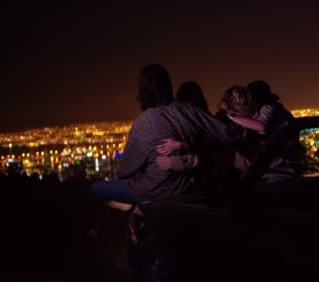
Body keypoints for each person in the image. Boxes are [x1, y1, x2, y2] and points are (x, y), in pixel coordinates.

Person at [90, 64, 246, 213]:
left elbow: (125, 170)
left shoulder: (143, 122)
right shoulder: (188, 110)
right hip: (184, 186)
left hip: (154, 190)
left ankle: (135, 211)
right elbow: (229, 135)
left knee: (95, 189)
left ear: (143, 90)